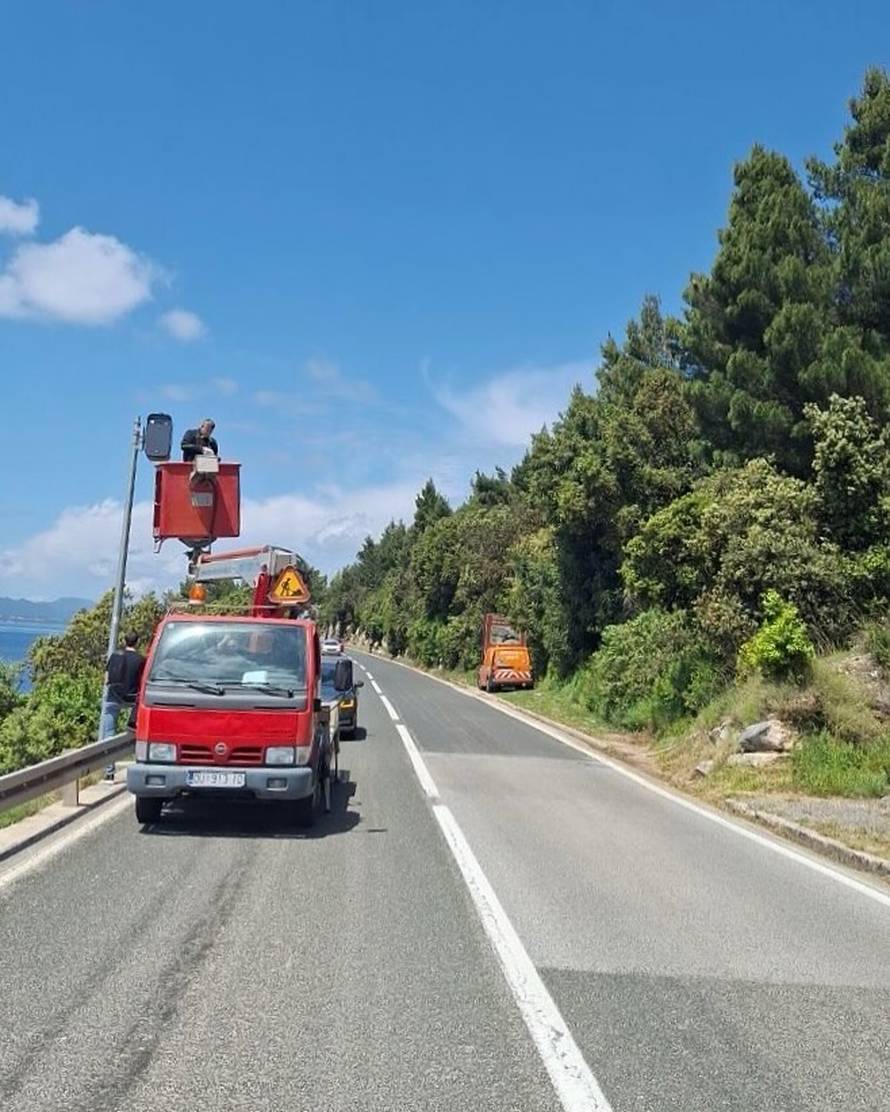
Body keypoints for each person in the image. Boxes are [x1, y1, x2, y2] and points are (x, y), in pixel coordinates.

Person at [101, 633, 146, 778]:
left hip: (113, 696)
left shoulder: (115, 656)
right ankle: (140, 765)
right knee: (138, 732)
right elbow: (143, 681)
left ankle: (109, 772)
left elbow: (107, 678)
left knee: (108, 733)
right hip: (132, 699)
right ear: (137, 642)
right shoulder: (141, 660)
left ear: (124, 641)